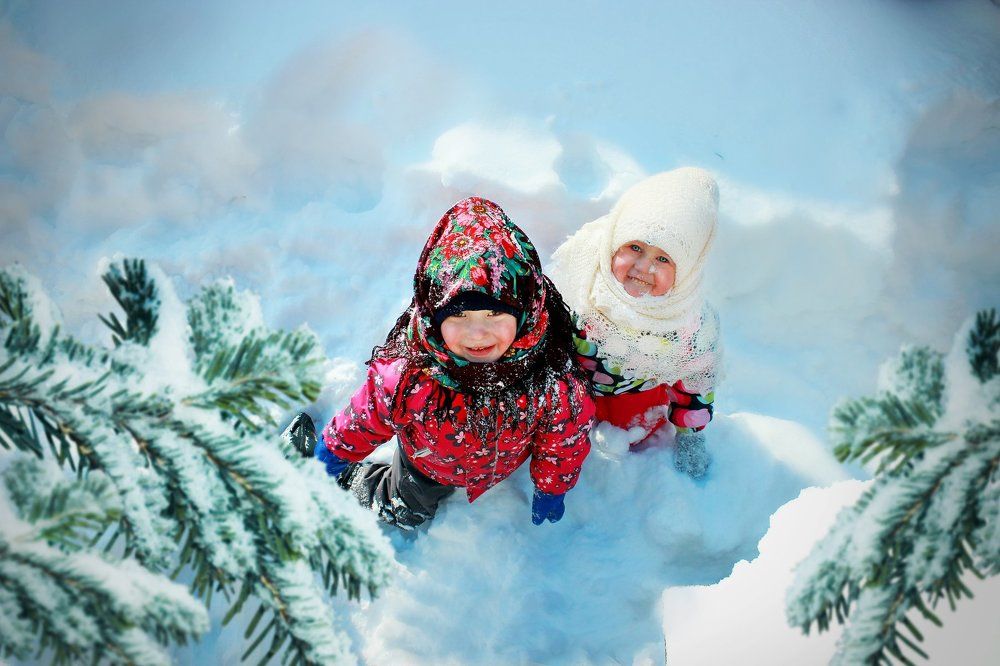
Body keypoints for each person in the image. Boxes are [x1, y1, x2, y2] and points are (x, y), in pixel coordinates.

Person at [313, 197, 595, 529]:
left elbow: (562, 438)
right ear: (434, 314)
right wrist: (336, 451)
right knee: (405, 509)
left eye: (494, 313)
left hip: (501, 461)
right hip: (427, 466)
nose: (477, 333)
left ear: (525, 311)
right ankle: (359, 482)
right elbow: (367, 415)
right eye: (459, 314)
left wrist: (553, 486)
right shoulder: (411, 375)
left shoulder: (550, 379)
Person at [548, 167, 722, 478]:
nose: (643, 267)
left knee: (630, 425)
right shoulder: (583, 280)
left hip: (631, 396)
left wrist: (690, 435)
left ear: (688, 268)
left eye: (663, 259)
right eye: (635, 247)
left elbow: (695, 382)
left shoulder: (689, 323)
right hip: (568, 387)